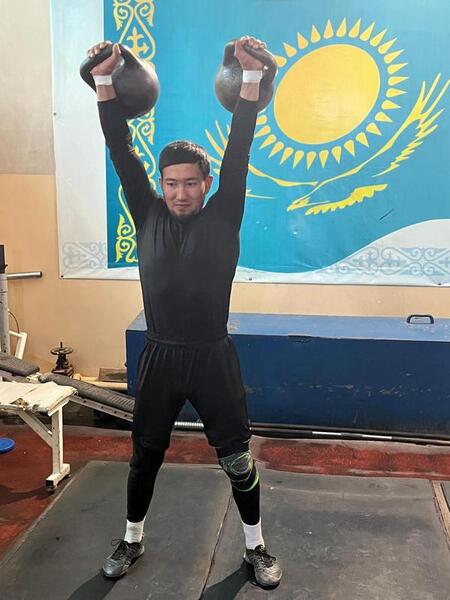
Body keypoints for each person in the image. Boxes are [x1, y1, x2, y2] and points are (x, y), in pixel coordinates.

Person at [88, 36, 282, 589]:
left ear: (207, 184)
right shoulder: (146, 212)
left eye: (190, 183)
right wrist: (103, 80)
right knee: (145, 455)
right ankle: (132, 539)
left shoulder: (224, 215)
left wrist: (251, 77)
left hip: (212, 357)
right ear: (161, 185)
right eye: (171, 183)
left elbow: (240, 145)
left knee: (237, 460)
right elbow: (119, 146)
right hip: (160, 357)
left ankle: (256, 547)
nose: (179, 193)